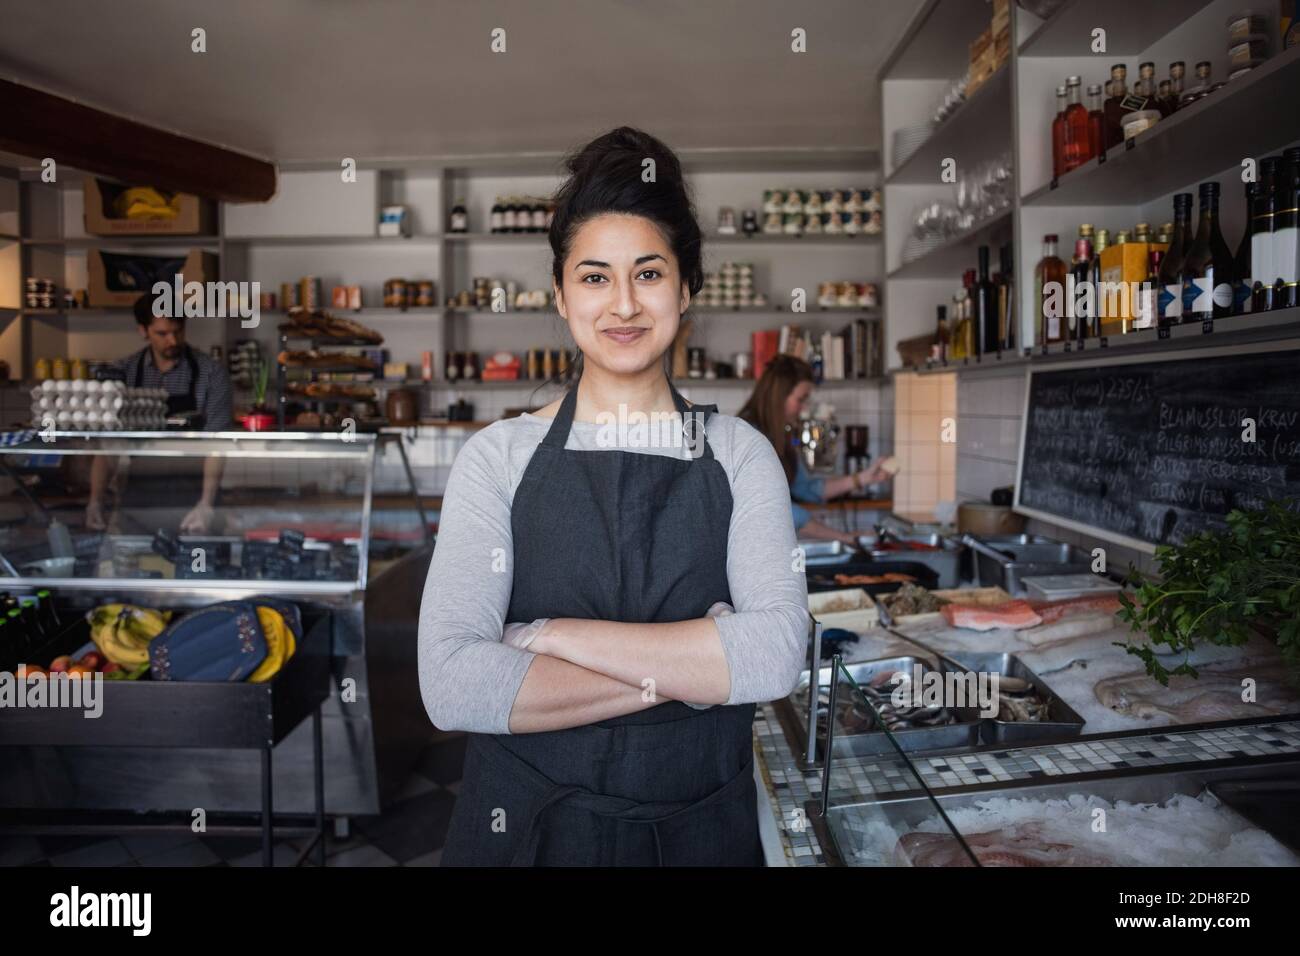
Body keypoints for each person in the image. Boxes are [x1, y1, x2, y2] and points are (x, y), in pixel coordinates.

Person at [419, 128, 809, 866]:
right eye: (595, 277)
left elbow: (774, 658)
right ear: (562, 296)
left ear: (685, 288)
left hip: (699, 833)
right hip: (527, 835)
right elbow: (452, 686)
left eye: (649, 274)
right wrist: (696, 674)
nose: (622, 304)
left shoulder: (741, 454)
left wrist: (547, 637)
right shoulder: (496, 458)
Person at [85, 294, 233, 534]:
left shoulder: (211, 374)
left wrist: (206, 504)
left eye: (178, 331)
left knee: (197, 568)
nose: (173, 340)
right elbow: (108, 447)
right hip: (138, 499)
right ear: (143, 330)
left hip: (195, 494)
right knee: (137, 565)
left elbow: (216, 445)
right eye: (162, 334)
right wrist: (95, 501)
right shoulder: (124, 373)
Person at [738, 354, 893, 546]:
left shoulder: (781, 436)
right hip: (748, 548)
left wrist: (864, 478)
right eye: (801, 399)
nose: (804, 408)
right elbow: (773, 508)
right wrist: (843, 537)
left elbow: (807, 488)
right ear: (779, 395)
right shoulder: (746, 436)